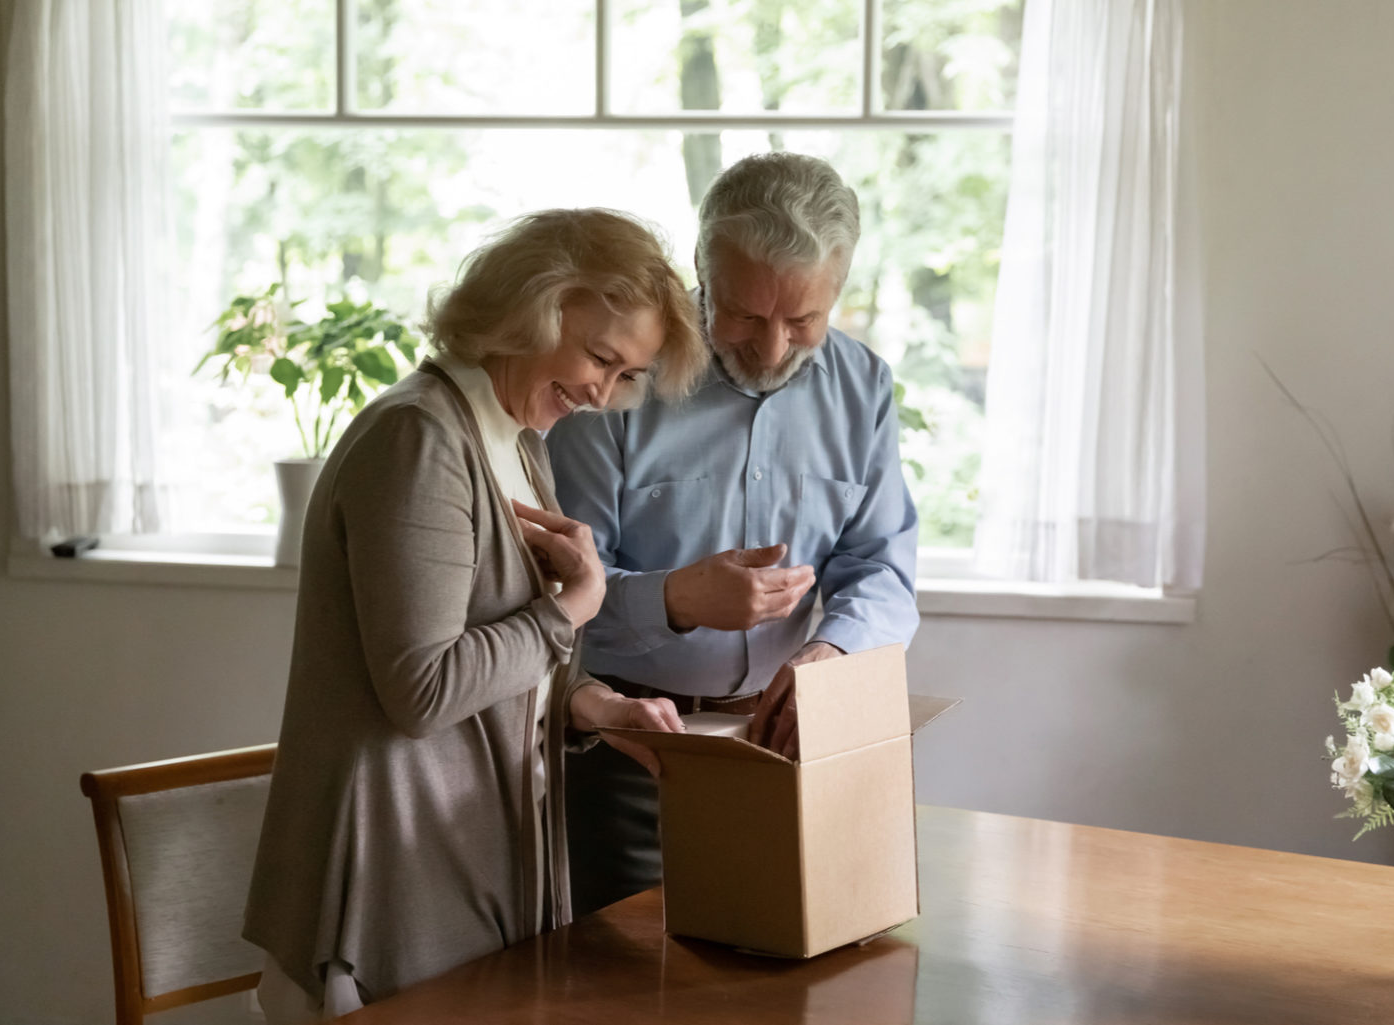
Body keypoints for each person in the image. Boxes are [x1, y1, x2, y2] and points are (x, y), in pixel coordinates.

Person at [242, 208, 708, 1021]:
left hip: (461, 868)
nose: (602, 393)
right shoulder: (418, 439)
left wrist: (595, 704)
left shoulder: (518, 444)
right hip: (390, 885)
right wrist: (575, 608)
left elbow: (504, 665)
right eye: (600, 357)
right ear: (533, 306)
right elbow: (424, 688)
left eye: (627, 373)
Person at [545, 152, 920, 917]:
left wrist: (832, 652)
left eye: (803, 320)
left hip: (787, 744)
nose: (773, 347)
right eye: (745, 315)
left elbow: (882, 565)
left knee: (790, 960)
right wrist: (676, 599)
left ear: (838, 290)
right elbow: (552, 595)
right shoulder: (615, 382)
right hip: (630, 748)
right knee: (623, 973)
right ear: (701, 271)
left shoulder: (865, 389)